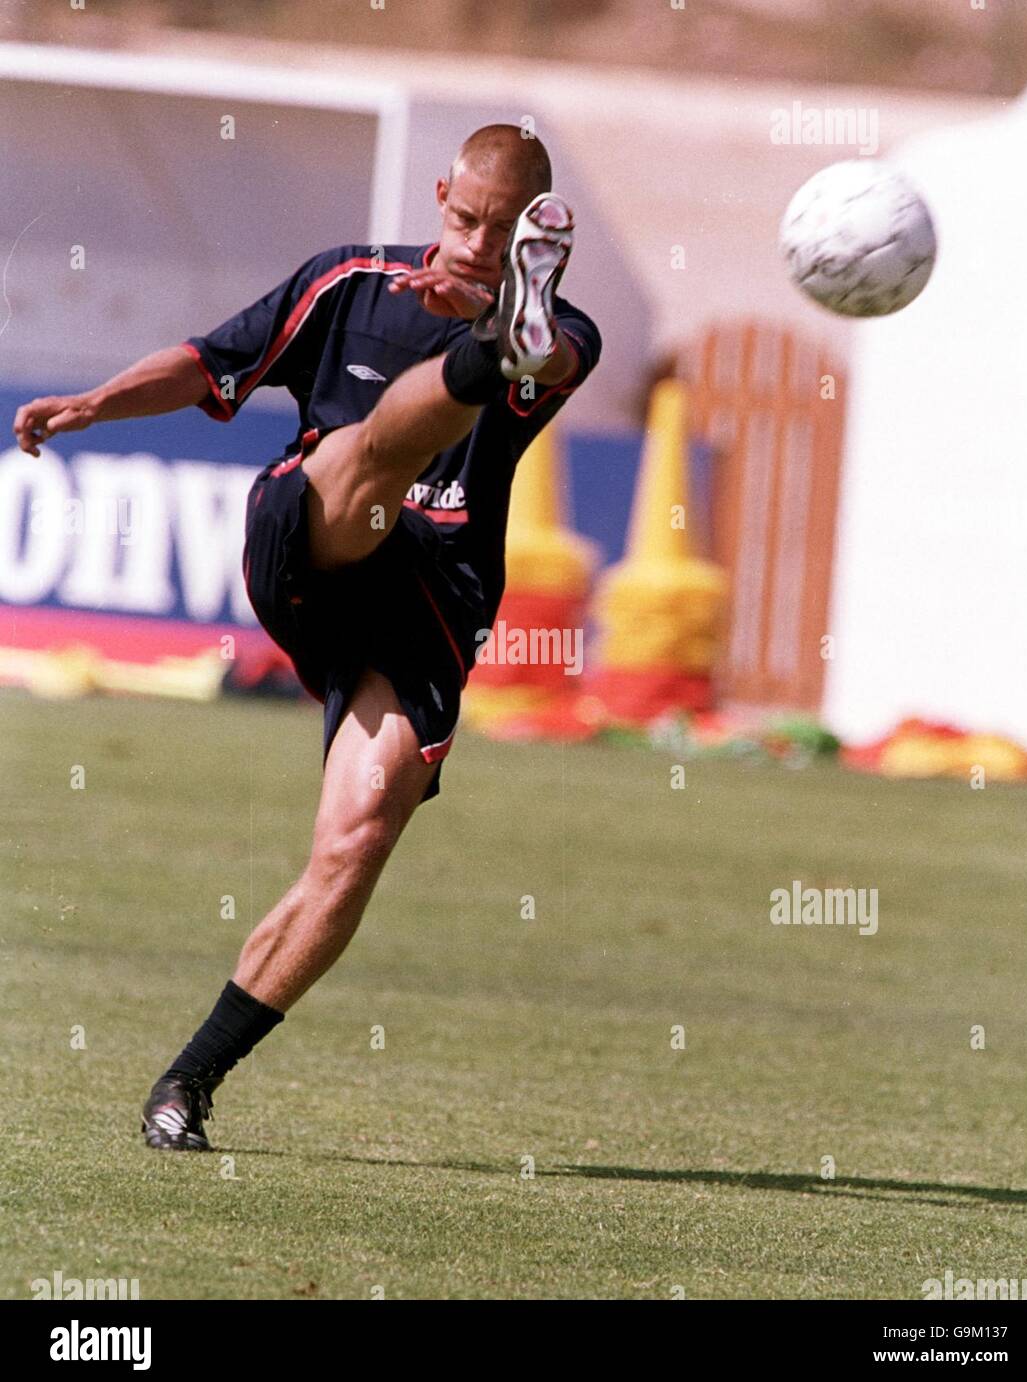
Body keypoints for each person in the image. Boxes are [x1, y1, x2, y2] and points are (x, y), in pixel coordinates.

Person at [13, 124, 602, 1150]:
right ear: (439, 198)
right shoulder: (346, 285)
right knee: (372, 452)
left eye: (503, 232)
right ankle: (476, 358)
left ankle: (186, 1083)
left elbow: (546, 358)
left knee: (356, 840)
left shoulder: (566, 339)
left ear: (532, 242)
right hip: (313, 534)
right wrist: (97, 405)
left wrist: (509, 326)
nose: (474, 240)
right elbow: (210, 362)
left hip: (428, 600)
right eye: (464, 219)